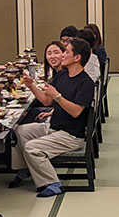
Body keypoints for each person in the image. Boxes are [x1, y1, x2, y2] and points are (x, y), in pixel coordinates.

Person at [9, 37, 95, 197]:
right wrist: (30, 85)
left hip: (70, 135)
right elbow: (47, 101)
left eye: (66, 52)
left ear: (77, 57)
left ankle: (53, 183)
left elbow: (76, 111)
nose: (62, 55)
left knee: (32, 148)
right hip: (53, 126)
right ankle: (26, 168)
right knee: (19, 131)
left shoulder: (86, 83)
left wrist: (57, 96)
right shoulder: (62, 76)